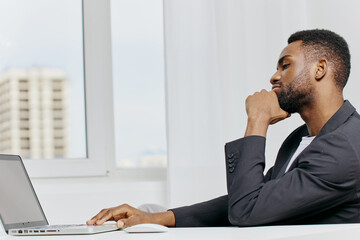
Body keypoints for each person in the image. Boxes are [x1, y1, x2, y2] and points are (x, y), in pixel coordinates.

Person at [86, 29, 360, 228]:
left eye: (285, 65)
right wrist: (158, 218)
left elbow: (245, 209)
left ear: (320, 69)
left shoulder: (345, 147)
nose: (274, 76)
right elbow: (252, 196)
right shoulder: (300, 139)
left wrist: (258, 119)